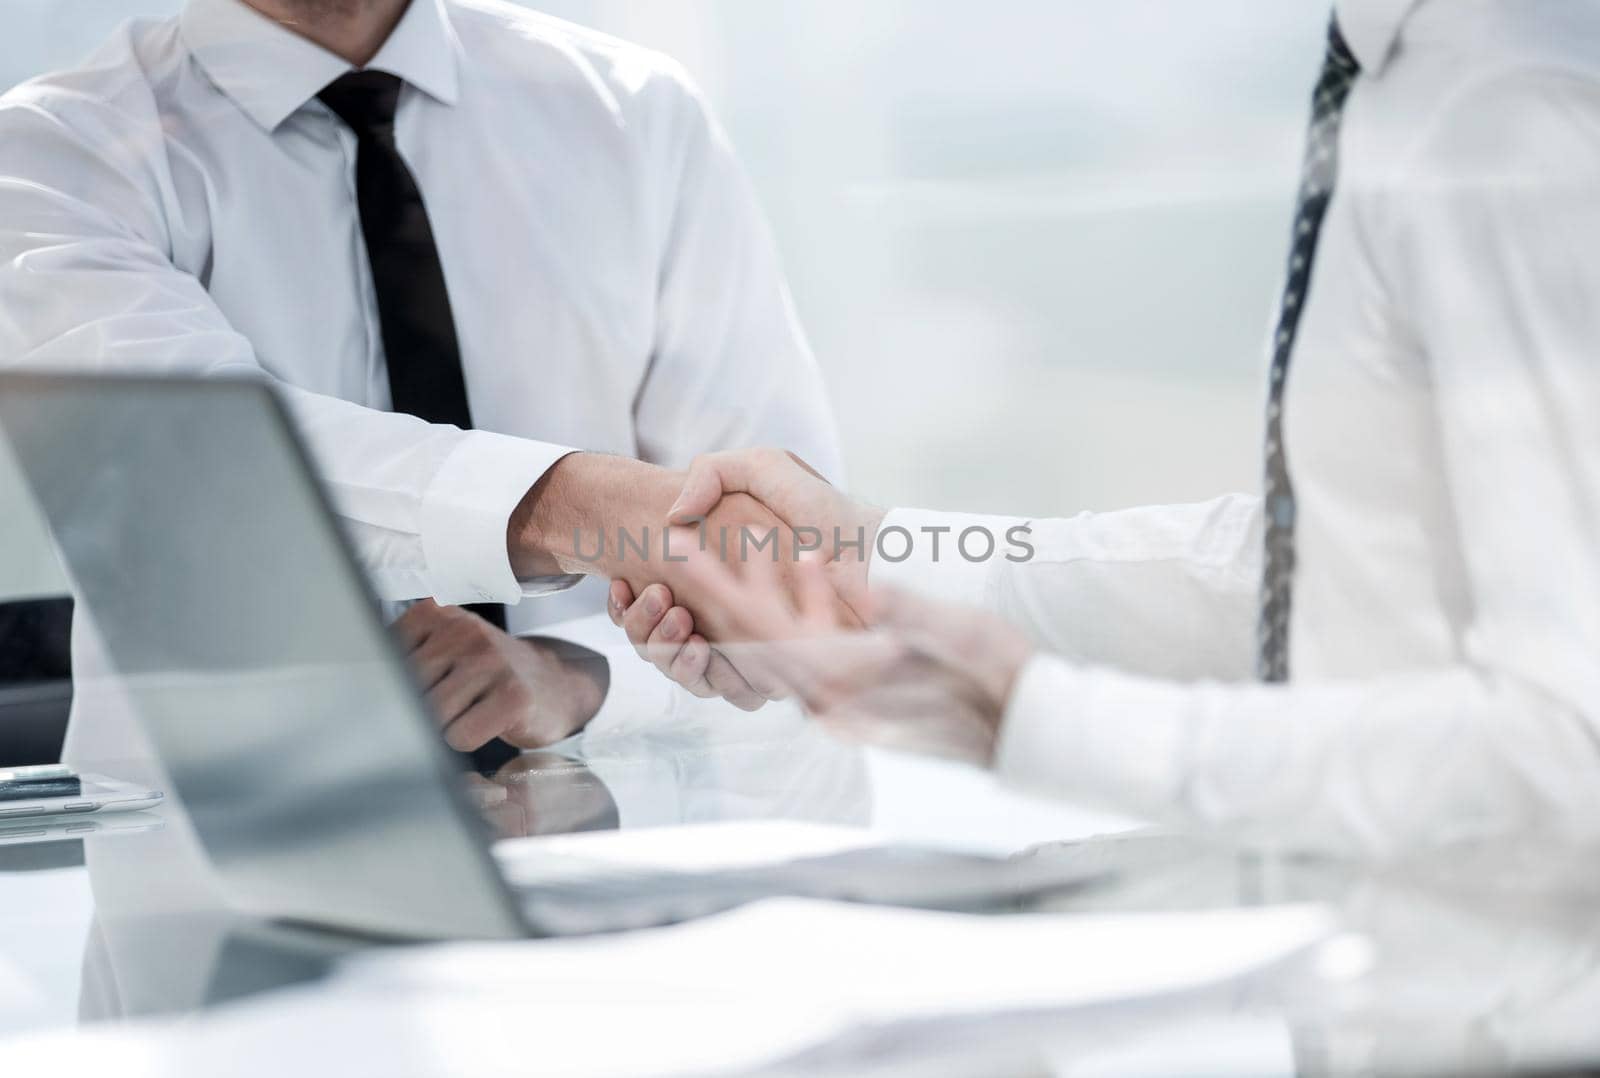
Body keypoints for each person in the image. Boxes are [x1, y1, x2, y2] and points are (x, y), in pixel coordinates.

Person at [610, 0, 1600, 856]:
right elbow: (1326, 567)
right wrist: (875, 558)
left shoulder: (1508, 115)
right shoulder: (1428, 81)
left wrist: (1041, 720)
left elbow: (1572, 737)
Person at [0, 0, 840, 761]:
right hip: (228, 855)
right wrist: (609, 512)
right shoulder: (52, 150)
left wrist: (577, 675)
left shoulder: (637, 112)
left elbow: (781, 582)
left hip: (610, 850)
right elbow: (199, 464)